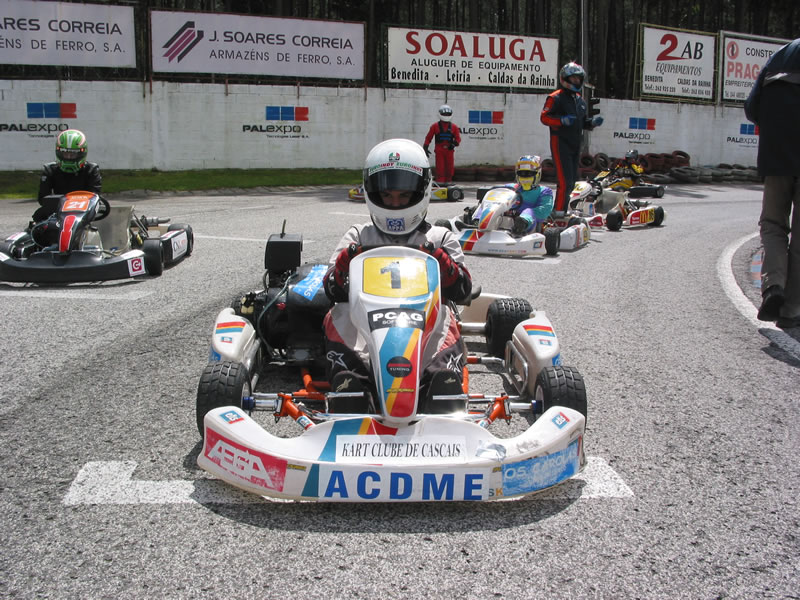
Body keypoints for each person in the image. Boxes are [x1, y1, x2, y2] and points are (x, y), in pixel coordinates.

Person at [323, 138, 473, 413]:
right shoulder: (359, 234)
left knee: (445, 317)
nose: (395, 202)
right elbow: (331, 289)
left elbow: (463, 291)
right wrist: (347, 261)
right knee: (339, 314)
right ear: (373, 192)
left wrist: (439, 259)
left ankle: (438, 383)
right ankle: (353, 385)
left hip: (424, 314)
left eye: (403, 196)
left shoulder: (439, 237)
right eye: (387, 195)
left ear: (421, 191)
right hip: (366, 314)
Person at [744, 38, 800, 329]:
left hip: (777, 156)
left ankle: (773, 286)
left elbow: (752, 107)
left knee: (773, 224)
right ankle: (791, 311)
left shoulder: (782, 55)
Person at [540, 62, 604, 215]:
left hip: (575, 144)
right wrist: (561, 120)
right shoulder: (555, 98)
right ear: (565, 78)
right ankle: (558, 211)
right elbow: (544, 118)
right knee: (564, 181)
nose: (576, 81)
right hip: (560, 143)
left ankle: (564, 209)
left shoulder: (580, 101)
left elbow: (582, 123)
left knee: (572, 181)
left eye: (578, 78)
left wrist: (592, 123)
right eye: (573, 78)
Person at [33, 129, 102, 223]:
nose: (69, 157)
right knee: (38, 217)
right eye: (65, 154)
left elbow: (95, 196)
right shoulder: (50, 170)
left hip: (84, 213)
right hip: (58, 212)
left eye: (73, 154)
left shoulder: (91, 170)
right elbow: (43, 199)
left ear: (82, 153)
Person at [503, 155, 555, 234]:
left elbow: (544, 211)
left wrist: (523, 215)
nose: (525, 176)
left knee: (528, 211)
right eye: (522, 173)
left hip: (531, 226)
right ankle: (479, 222)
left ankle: (521, 224)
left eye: (529, 173)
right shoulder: (509, 188)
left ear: (537, 174)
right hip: (506, 221)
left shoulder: (544, 191)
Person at [423, 104, 461, 185]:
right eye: (444, 114)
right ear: (440, 114)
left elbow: (458, 139)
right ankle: (440, 182)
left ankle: (448, 182)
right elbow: (428, 137)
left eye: (448, 114)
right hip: (439, 150)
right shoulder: (435, 126)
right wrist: (425, 147)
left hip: (449, 150)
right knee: (440, 167)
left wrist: (454, 144)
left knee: (450, 167)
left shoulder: (454, 127)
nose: (446, 116)